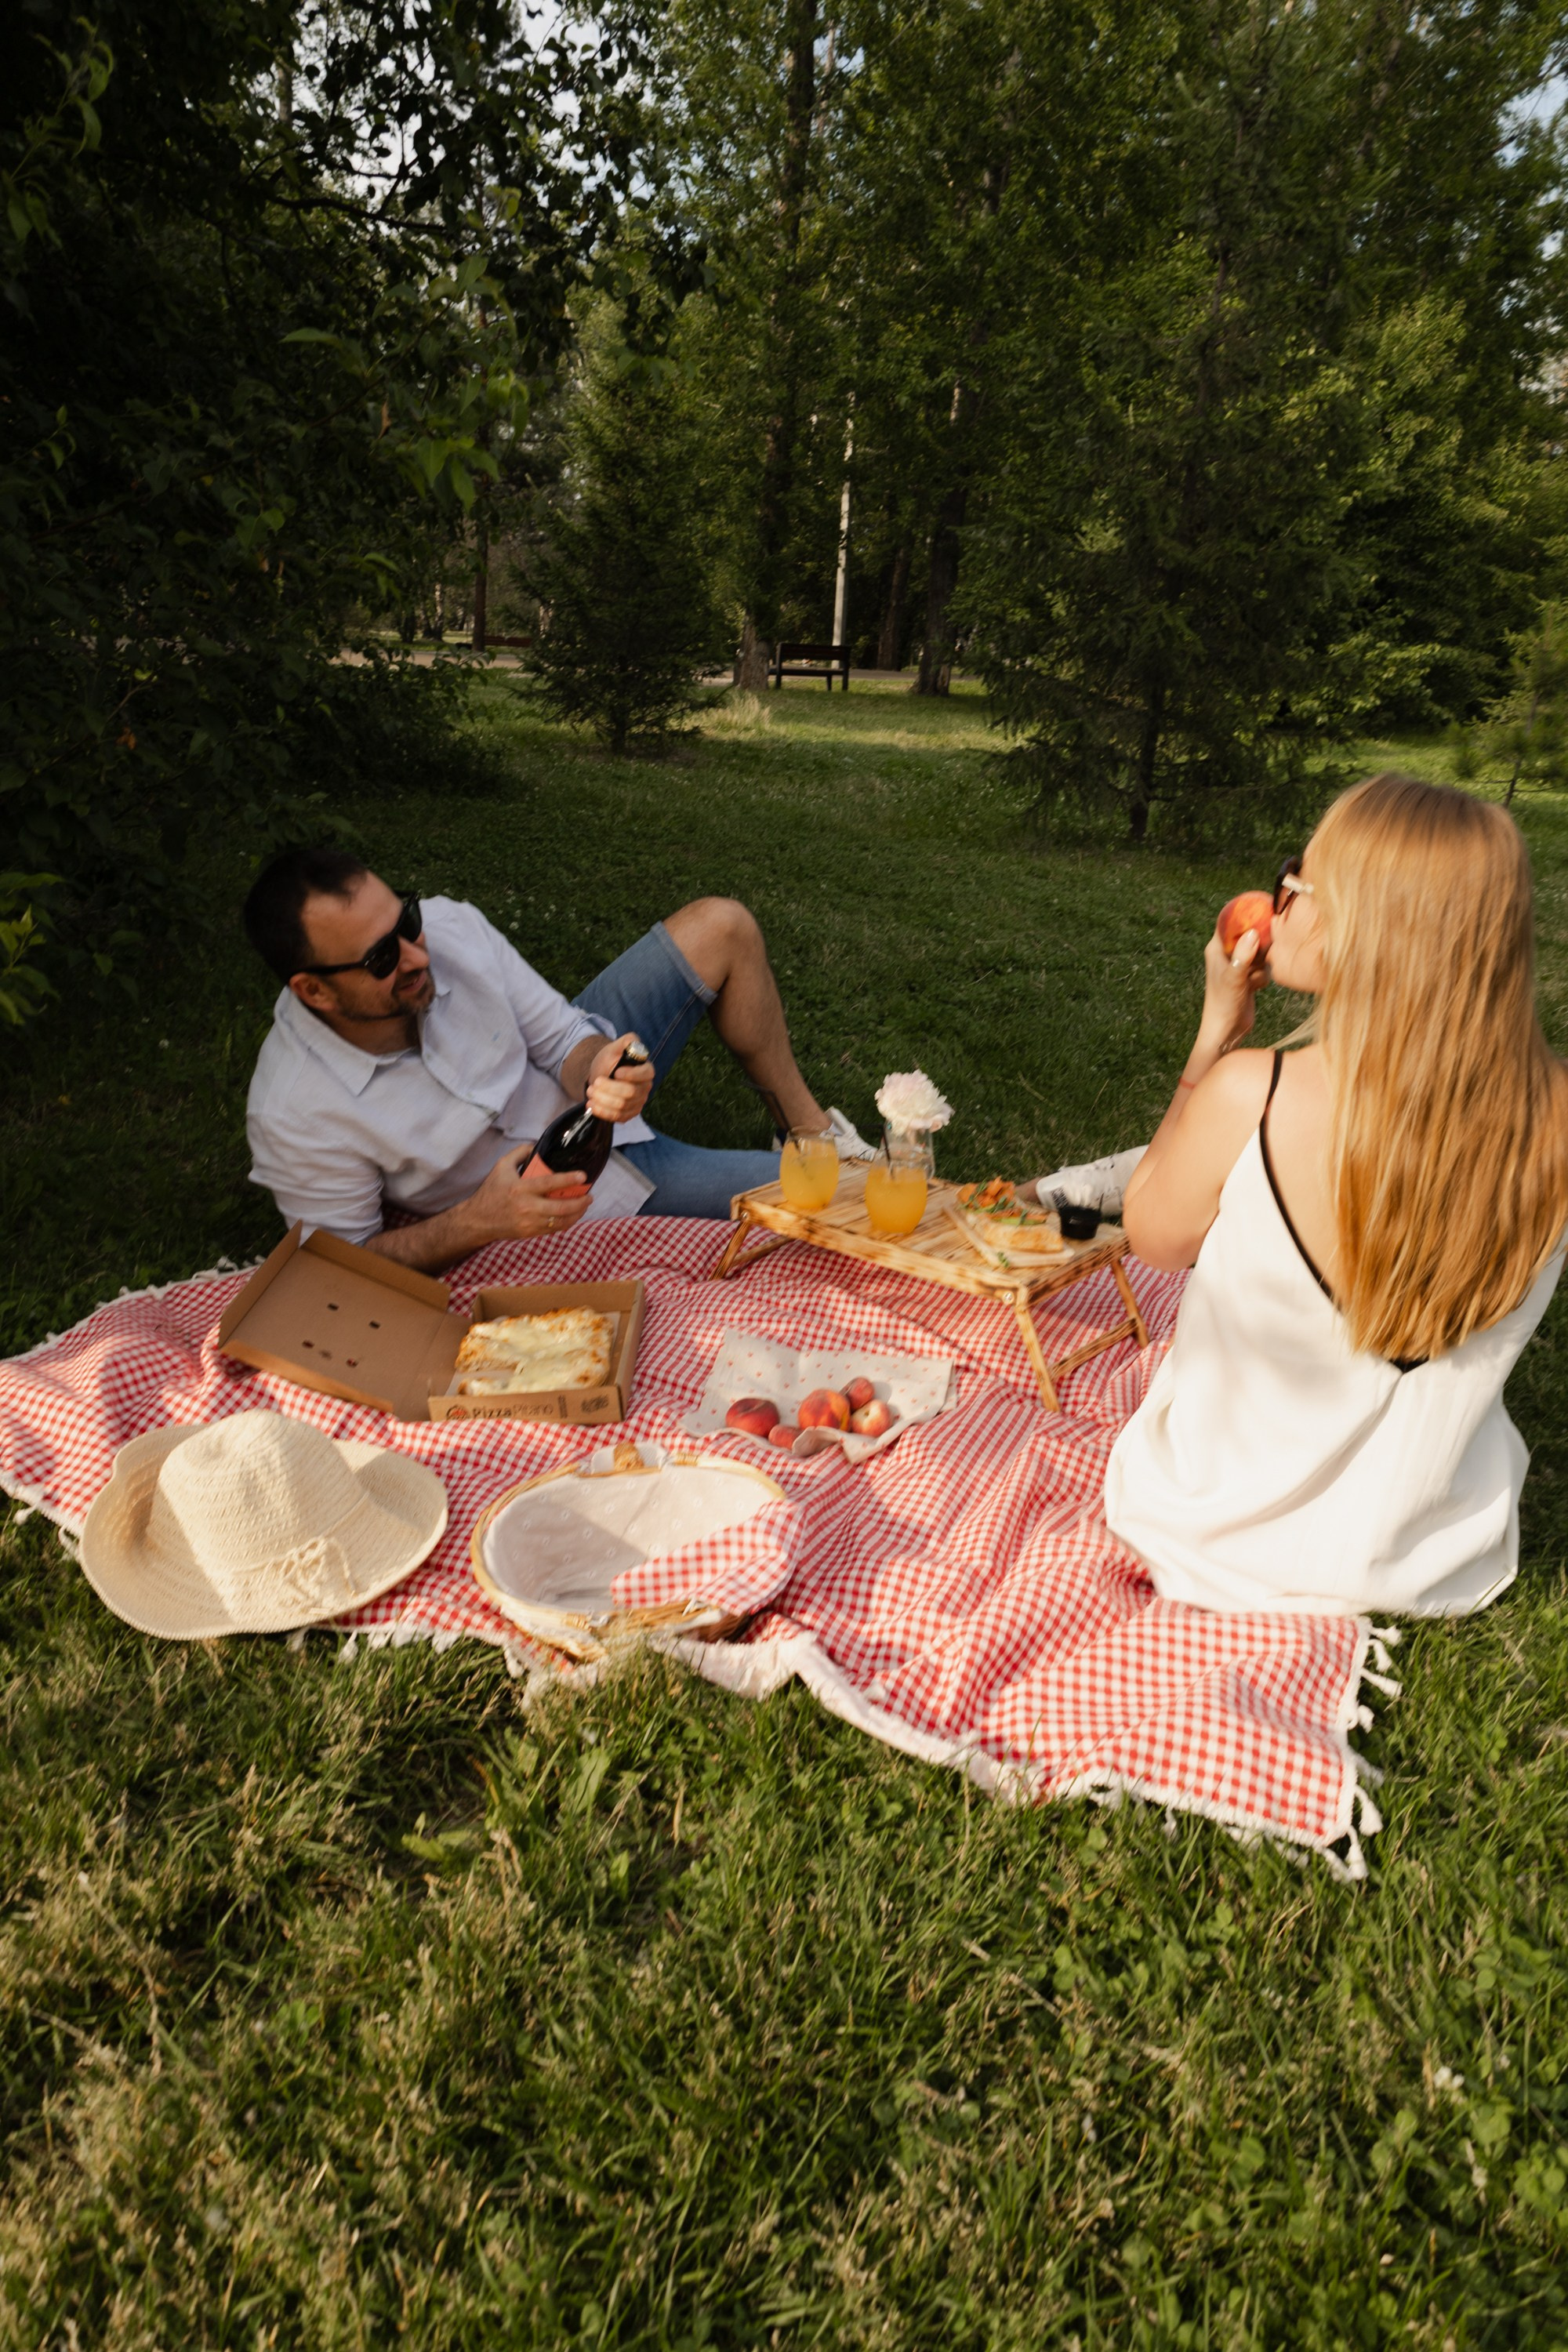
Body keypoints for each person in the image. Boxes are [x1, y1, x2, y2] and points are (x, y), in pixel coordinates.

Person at [1103, 771, 1568, 1617]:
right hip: (1429, 1553)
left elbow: (1152, 1235)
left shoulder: (1254, 1090)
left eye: (1295, 879)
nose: (1274, 899)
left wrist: (1210, 1040)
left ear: (1362, 921)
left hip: (1204, 1534)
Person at [242, 848, 871, 1273]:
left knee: (722, 925)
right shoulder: (295, 1110)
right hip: (581, 1188)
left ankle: (813, 1133)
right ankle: (821, 1172)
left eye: (408, 919)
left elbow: (559, 1036)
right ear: (314, 991)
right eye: (382, 959)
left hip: (575, 1096)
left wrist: (600, 1064)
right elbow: (336, 1263)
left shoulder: (450, 929)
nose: (417, 955)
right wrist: (472, 1223)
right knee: (843, 1202)